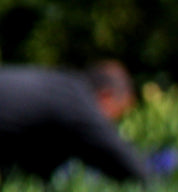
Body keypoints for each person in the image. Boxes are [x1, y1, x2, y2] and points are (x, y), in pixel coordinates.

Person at [0, 60, 149, 182]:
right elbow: (127, 165)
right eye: (117, 114)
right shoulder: (77, 100)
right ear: (106, 96)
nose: (111, 123)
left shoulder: (62, 88)